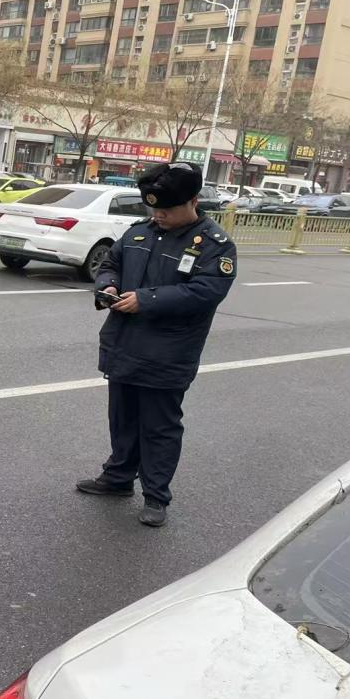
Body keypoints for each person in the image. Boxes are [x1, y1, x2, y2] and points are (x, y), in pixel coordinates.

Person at [77, 161, 237, 527]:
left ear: (193, 201)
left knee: (159, 427)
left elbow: (206, 291)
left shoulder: (214, 244)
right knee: (122, 418)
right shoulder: (139, 232)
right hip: (123, 344)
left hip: (168, 354)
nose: (159, 215)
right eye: (154, 208)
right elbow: (111, 262)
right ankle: (118, 478)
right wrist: (109, 286)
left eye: (167, 209)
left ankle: (156, 496)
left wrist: (145, 300)